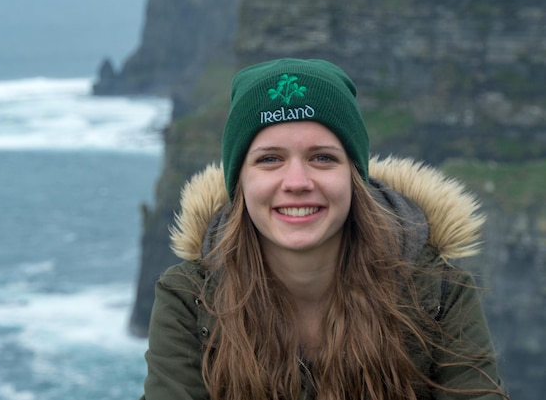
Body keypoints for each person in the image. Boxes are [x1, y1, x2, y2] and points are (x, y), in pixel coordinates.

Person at [140, 58, 507, 400]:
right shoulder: (189, 298)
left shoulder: (440, 292)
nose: (297, 182)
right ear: (240, 182)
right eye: (270, 159)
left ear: (354, 176)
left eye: (322, 158)